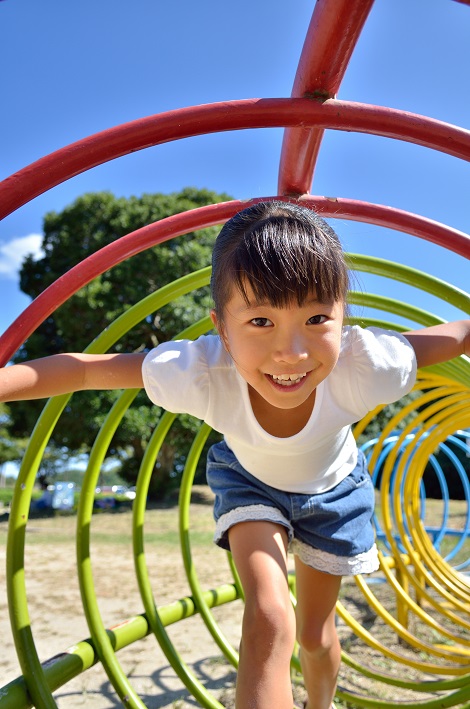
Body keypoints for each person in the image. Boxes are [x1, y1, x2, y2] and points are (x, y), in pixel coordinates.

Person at [1, 201, 469, 709]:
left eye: (316, 318)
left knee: (315, 635)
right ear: (221, 327)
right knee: (269, 611)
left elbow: (448, 339)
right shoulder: (202, 370)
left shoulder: (365, 365)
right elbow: (87, 370)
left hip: (336, 495)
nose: (292, 351)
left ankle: (322, 702)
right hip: (249, 484)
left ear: (343, 317)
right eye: (261, 321)